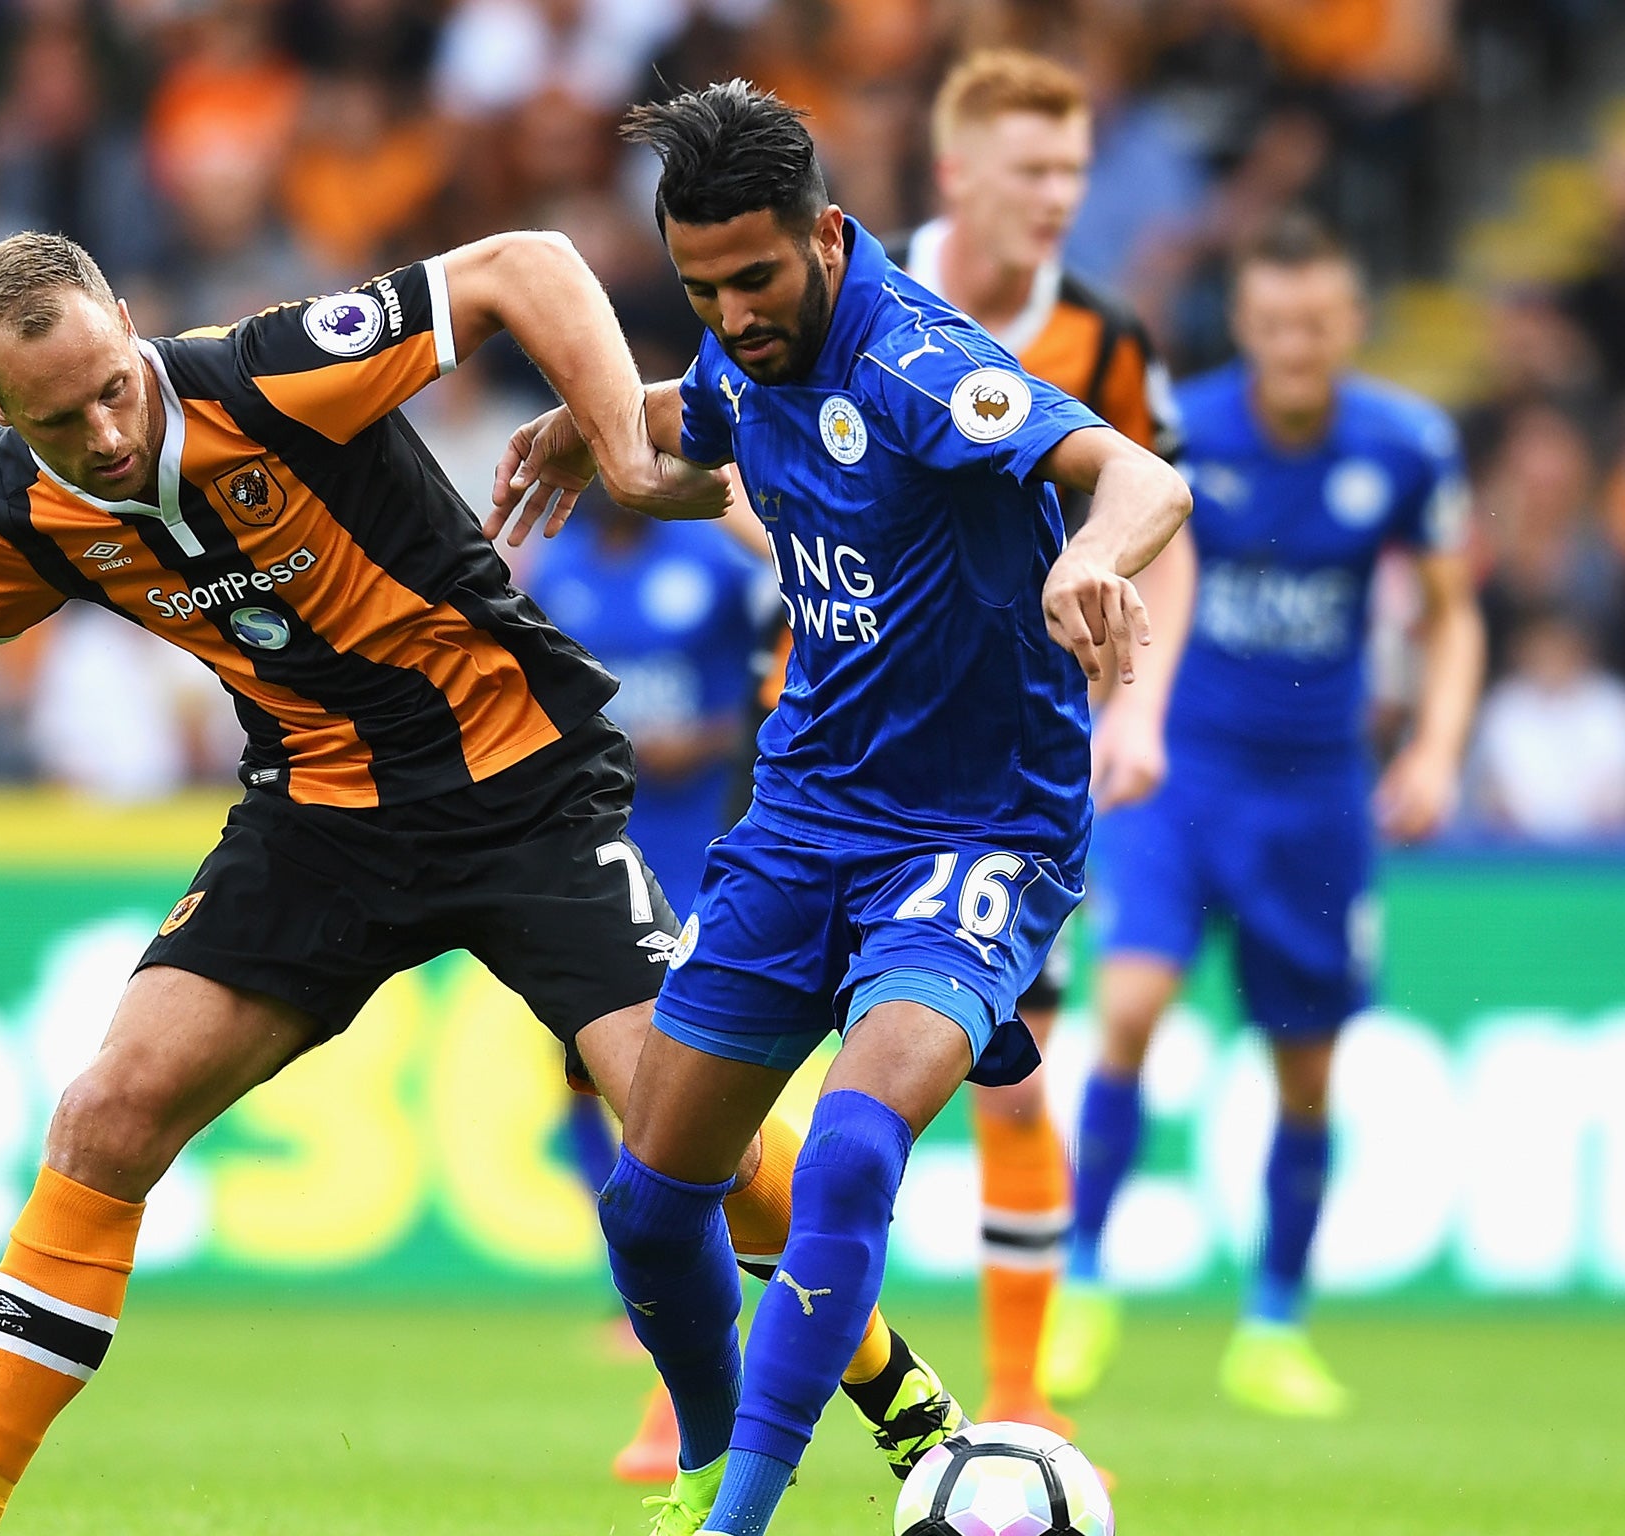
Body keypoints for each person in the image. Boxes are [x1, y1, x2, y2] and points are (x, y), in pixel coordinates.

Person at [0, 229, 953, 1536]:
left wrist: (615, 442)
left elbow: (527, 264)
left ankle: (907, 1411)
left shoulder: (265, 373)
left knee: (682, 1130)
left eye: (112, 387)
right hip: (320, 817)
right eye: (57, 417)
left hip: (522, 788)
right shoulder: (25, 512)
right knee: (109, 1112)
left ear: (130, 322)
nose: (101, 433)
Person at [491, 82, 1190, 1536]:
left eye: (756, 278)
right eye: (702, 287)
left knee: (859, 1144)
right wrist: (601, 425)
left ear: (828, 234)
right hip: (806, 813)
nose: (735, 310)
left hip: (978, 828)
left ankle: (735, 1516)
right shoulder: (748, 348)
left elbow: (1136, 475)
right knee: (653, 1196)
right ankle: (716, 1455)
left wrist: (1090, 563)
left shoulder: (925, 365)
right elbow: (711, 425)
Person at [1042, 211, 1485, 1418]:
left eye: (1318, 321)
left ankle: (1273, 1324)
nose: (1296, 343)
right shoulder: (1183, 433)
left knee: (1305, 1071)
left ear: (1349, 322)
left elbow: (1450, 613)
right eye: (1274, 323)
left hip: (1317, 796)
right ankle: (1077, 1284)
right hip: (1184, 773)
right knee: (1129, 1005)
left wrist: (1437, 747)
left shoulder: (1403, 445)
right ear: (1244, 324)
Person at [890, 47, 1194, 1432]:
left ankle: (1021, 1401)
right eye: (1032, 170)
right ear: (960, 173)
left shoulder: (1110, 339)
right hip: (831, 745)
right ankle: (691, 1396)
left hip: (1012, 765)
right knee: (741, 1082)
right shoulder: (853, 298)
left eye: (1073, 170)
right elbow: (726, 451)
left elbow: (1167, 520)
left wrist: (1144, 709)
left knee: (1010, 1091)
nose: (1059, 197)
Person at [525, 485, 775, 1482]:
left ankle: (689, 1338)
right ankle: (637, 1296)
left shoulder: (714, 563)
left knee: (679, 1096)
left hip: (697, 845)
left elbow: (772, 680)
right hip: (595, 849)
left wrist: (706, 740)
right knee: (583, 1083)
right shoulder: (560, 570)